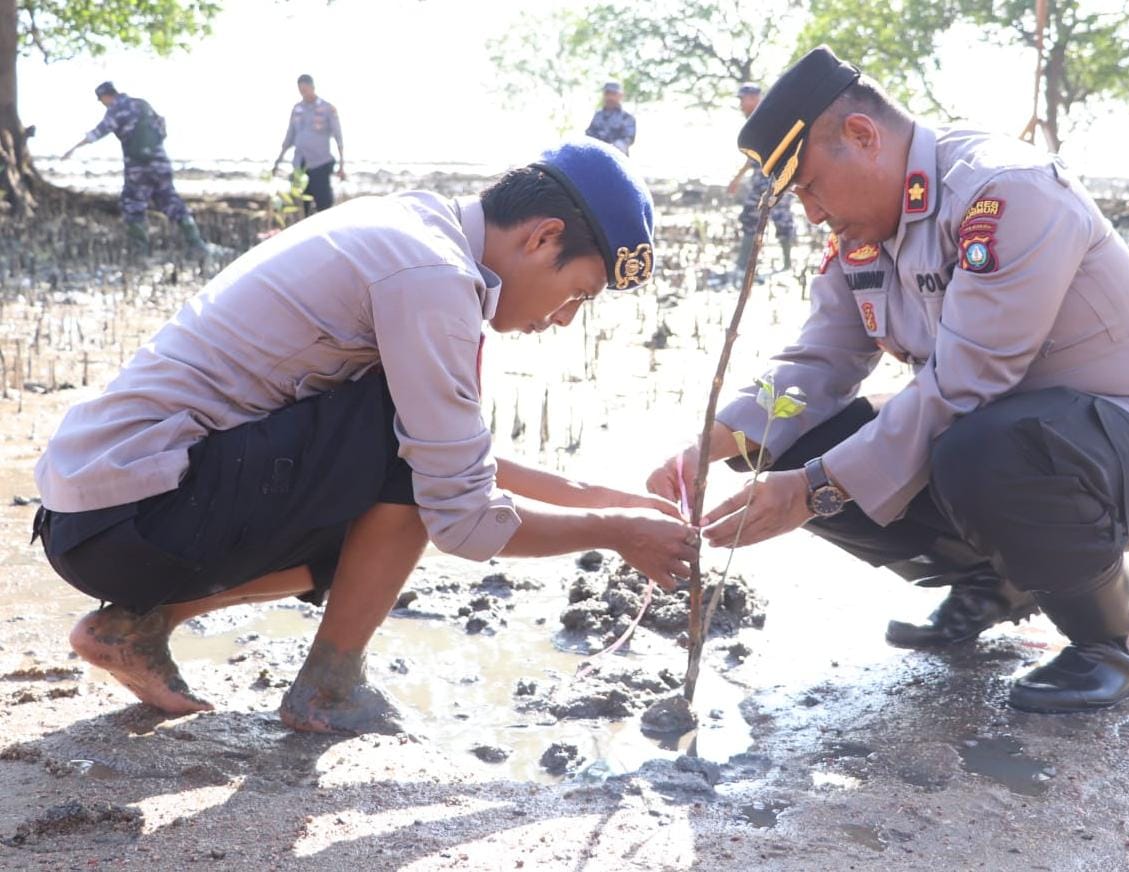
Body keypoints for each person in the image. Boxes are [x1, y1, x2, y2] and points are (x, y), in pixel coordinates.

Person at [33, 137, 694, 736]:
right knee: (411, 466)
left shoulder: (416, 227)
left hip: (100, 517)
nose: (562, 320)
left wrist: (596, 496)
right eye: (576, 293)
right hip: (137, 518)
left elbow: (451, 448)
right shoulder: (432, 280)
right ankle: (329, 687)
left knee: (409, 454)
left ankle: (140, 624)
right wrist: (617, 532)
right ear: (544, 238)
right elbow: (461, 516)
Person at [648, 46, 1129, 714]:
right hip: (1016, 441)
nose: (814, 214)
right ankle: (1005, 579)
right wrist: (709, 449)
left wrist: (814, 490)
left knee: (972, 448)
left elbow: (968, 382)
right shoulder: (866, 237)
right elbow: (818, 363)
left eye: (811, 186)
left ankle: (1117, 642)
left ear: (862, 136)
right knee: (797, 444)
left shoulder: (1004, 192)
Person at [61, 81, 206, 255]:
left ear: (107, 96)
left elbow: (98, 133)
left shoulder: (115, 110)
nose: (103, 103)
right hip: (160, 162)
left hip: (138, 167)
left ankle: (140, 251)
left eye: (101, 100)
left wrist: (74, 148)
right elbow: (161, 127)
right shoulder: (142, 104)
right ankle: (197, 245)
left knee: (132, 204)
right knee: (172, 202)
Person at [727, 83, 797, 277]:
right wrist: (737, 178)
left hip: (778, 178)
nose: (741, 104)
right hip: (760, 180)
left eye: (743, 99)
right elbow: (753, 156)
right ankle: (743, 264)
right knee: (750, 215)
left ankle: (787, 264)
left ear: (754, 97)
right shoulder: (755, 119)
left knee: (782, 219)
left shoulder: (769, 117)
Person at [273, 74, 345, 214]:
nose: (303, 93)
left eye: (305, 89)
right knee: (301, 206)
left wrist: (342, 166)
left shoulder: (327, 108)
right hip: (300, 165)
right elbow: (289, 136)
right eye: (300, 90)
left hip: (320, 164)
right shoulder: (297, 109)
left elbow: (338, 137)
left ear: (313, 87)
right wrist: (278, 161)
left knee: (324, 207)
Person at [585, 82, 636, 155]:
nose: (610, 97)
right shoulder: (598, 115)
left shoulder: (627, 117)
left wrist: (611, 147)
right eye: (608, 94)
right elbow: (589, 134)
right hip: (596, 155)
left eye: (614, 94)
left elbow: (628, 139)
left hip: (617, 157)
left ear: (620, 96)